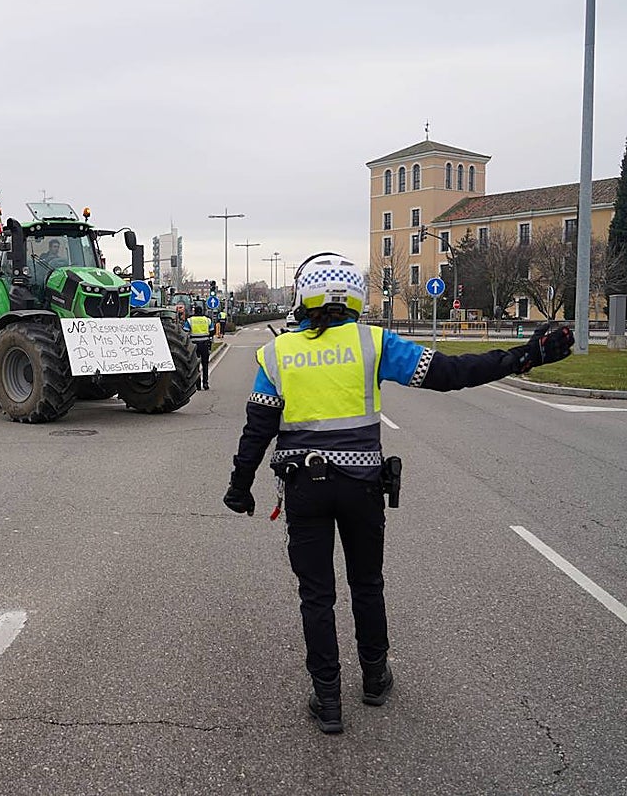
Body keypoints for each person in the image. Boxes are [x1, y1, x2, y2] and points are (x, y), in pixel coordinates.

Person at [222, 251, 574, 734]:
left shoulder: (279, 354)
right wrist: (523, 356)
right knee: (367, 584)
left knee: (316, 595)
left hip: (304, 488)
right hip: (362, 486)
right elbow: (451, 374)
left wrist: (239, 488)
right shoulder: (374, 343)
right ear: (353, 295)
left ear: (304, 296)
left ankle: (327, 700)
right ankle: (373, 679)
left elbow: (257, 429)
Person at [183, 304, 215, 390]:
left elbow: (185, 331)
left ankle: (197, 385)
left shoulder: (190, 320)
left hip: (194, 346)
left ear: (194, 311)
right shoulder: (207, 320)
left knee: (195, 366)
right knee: (205, 365)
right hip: (205, 344)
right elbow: (212, 331)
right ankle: (205, 383)